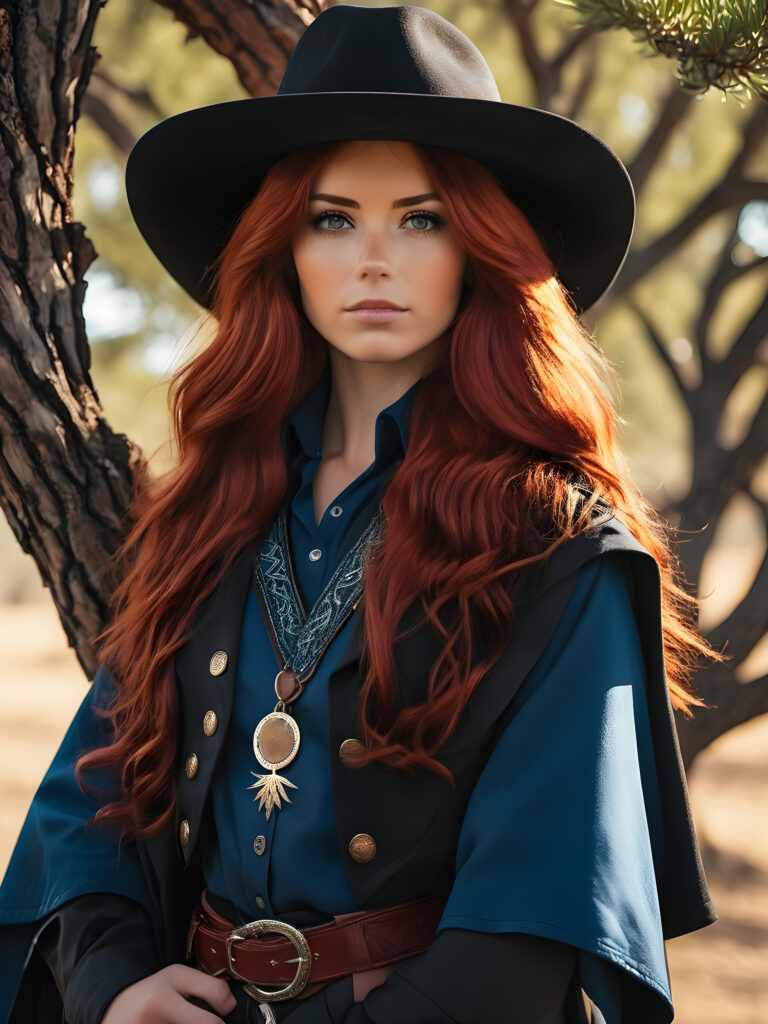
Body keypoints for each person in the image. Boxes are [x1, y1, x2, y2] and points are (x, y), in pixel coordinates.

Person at [0, 5, 719, 1023]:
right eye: (331, 217)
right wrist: (115, 984)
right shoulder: (213, 510)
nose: (371, 258)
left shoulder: (559, 546)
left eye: (421, 219)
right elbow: (97, 790)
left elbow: (534, 922)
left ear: (478, 249)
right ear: (282, 246)